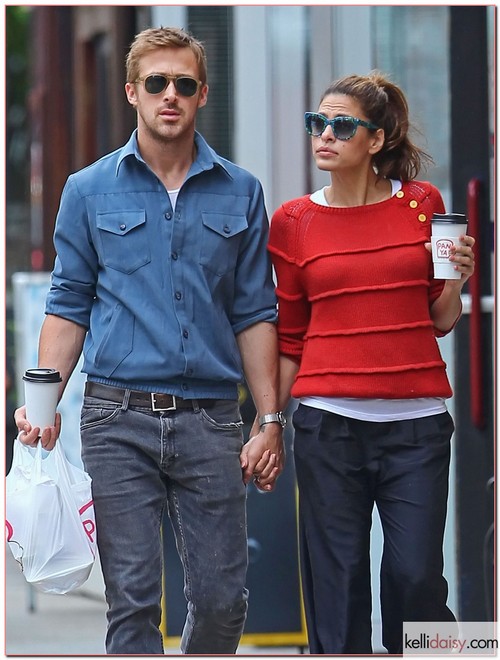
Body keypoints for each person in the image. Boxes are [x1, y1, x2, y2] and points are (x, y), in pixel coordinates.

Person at [14, 26, 285, 655]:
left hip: (211, 420)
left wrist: (269, 419)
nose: (171, 95)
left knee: (223, 602)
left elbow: (254, 310)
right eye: (157, 83)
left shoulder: (241, 191)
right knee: (133, 603)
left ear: (202, 94)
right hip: (118, 419)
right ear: (132, 91)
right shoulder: (86, 191)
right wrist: (46, 409)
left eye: (184, 84)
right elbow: (67, 305)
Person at [268, 71, 475, 654]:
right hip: (327, 426)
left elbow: (438, 318)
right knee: (337, 593)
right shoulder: (292, 222)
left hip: (417, 428)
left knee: (415, 580)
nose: (324, 135)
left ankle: (444, 651)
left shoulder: (423, 205)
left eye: (340, 125)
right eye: (317, 123)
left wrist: (457, 278)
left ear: (376, 140)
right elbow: (291, 336)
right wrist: (270, 425)